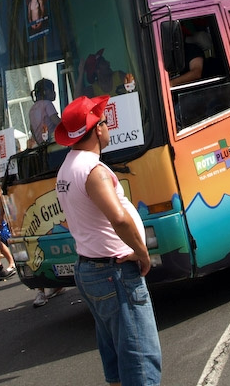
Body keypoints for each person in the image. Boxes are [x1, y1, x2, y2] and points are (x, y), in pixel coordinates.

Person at [54, 95, 162, 386]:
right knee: (140, 357)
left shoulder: (67, 168)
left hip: (91, 269)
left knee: (115, 354)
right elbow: (119, 219)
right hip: (114, 272)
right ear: (97, 130)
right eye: (104, 122)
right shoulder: (94, 171)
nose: (108, 127)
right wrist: (142, 252)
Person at [28, 78, 58, 146]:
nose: (54, 93)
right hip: (54, 142)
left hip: (43, 145)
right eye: (52, 90)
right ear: (46, 91)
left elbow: (32, 130)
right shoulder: (47, 103)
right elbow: (56, 121)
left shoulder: (32, 109)